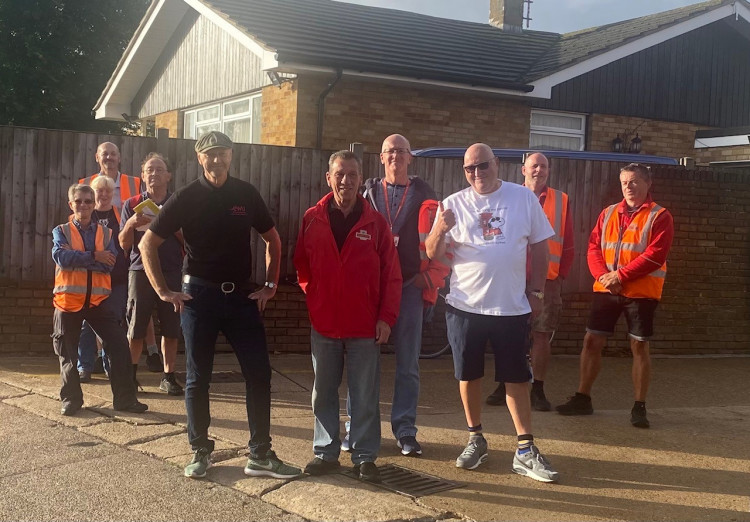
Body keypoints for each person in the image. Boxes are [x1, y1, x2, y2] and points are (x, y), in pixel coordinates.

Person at [139, 131, 300, 480]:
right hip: (200, 298)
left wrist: (270, 286)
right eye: (209, 154)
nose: (216, 160)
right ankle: (200, 450)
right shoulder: (185, 197)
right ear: (200, 158)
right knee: (198, 379)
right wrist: (165, 292)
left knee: (259, 374)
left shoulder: (245, 193)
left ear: (231, 155)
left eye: (222, 153)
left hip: (242, 297)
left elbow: (272, 239)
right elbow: (147, 244)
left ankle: (259, 454)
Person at [426, 143, 559, 483]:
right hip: (465, 307)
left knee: (516, 377)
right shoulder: (453, 204)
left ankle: (525, 450)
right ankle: (475, 439)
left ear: (496, 164)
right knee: (468, 375)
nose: (477, 174)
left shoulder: (522, 198)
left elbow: (541, 247)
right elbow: (432, 253)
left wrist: (537, 290)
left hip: (511, 307)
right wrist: (441, 228)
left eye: (483, 166)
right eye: (469, 169)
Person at [294, 150, 402, 483]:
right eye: (340, 174)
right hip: (324, 323)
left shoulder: (376, 223)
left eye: (352, 174)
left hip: (364, 325)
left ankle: (365, 457)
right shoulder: (312, 218)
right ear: (329, 178)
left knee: (364, 394)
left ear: (360, 179)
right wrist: (316, 297)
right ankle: (325, 452)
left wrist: (386, 317)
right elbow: (302, 265)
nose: (346, 180)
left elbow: (392, 274)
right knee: (322, 391)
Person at [556, 163, 674, 429]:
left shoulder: (660, 216)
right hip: (606, 290)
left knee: (639, 347)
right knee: (591, 342)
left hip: (641, 293)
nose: (628, 187)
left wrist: (619, 277)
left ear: (647, 183)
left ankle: (639, 406)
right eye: (624, 183)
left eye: (634, 182)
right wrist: (604, 277)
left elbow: (656, 256)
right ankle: (583, 397)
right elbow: (593, 249)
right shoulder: (608, 213)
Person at [357, 133, 449, 457]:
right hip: (373, 291)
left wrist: (430, 278)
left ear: (410, 158)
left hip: (409, 288)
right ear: (381, 158)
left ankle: (406, 430)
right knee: (364, 363)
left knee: (408, 363)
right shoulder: (366, 194)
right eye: (389, 151)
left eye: (401, 151)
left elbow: (442, 243)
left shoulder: (428, 196)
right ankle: (361, 430)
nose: (395, 156)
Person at [486, 153, 574, 411]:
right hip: (510, 278)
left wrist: (560, 276)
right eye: (534, 165)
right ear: (523, 169)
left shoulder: (562, 200)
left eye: (544, 166)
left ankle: (538, 389)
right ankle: (505, 383)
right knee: (508, 334)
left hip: (547, 281)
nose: (539, 170)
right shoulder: (507, 196)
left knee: (541, 335)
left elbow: (568, 243)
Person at [51, 184, 147, 416]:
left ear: (94, 205)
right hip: (68, 302)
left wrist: (81, 259)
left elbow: (110, 261)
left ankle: (125, 400)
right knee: (68, 353)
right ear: (71, 204)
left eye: (87, 201)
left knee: (119, 345)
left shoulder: (106, 234)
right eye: (78, 201)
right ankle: (71, 399)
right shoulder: (61, 230)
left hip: (98, 301)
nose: (83, 205)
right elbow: (61, 257)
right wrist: (94, 256)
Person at [120, 152, 184, 396]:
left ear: (169, 175)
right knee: (136, 326)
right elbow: (123, 244)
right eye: (149, 170)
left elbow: (188, 242)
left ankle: (168, 377)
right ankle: (131, 377)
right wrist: (130, 225)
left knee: (171, 326)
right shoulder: (132, 203)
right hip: (139, 270)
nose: (154, 174)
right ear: (143, 176)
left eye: (159, 169)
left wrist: (170, 224)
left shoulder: (177, 203)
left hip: (171, 270)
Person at [77, 176, 130, 382]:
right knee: (86, 324)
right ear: (93, 194)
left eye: (109, 191)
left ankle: (111, 367)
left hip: (116, 278)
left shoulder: (120, 213)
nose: (105, 194)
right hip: (90, 279)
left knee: (113, 324)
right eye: (100, 191)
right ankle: (85, 367)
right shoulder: (85, 215)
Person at [79, 142, 141, 213]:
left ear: (119, 158)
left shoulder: (135, 183)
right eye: (104, 154)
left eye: (113, 154)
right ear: (97, 157)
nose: (109, 157)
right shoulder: (85, 184)